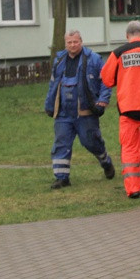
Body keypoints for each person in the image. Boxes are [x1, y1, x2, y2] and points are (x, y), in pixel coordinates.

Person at [100, 21, 140, 199]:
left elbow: (106, 79)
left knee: (129, 146)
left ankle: (133, 187)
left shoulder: (118, 53)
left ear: (127, 35)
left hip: (129, 107)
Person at [44, 30, 115, 189]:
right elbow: (53, 85)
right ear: (65, 43)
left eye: (75, 42)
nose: (72, 45)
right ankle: (62, 178)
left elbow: (106, 81)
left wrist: (103, 100)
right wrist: (49, 105)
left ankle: (106, 162)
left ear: (81, 41)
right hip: (63, 112)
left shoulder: (94, 59)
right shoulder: (59, 60)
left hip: (85, 110)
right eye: (69, 42)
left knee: (90, 142)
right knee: (61, 143)